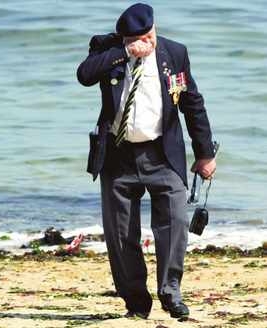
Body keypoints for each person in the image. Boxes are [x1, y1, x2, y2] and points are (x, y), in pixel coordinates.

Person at [77, 3, 216, 320]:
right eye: (140, 38)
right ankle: (136, 303)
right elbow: (84, 75)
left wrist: (205, 153)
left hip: (163, 153)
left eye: (150, 35)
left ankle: (171, 292)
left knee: (175, 224)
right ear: (125, 37)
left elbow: (191, 102)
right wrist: (126, 53)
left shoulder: (174, 53)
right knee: (121, 234)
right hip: (118, 155)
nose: (148, 42)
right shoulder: (107, 48)